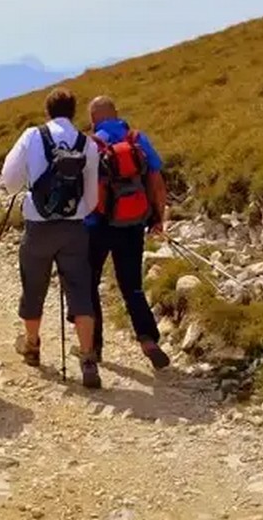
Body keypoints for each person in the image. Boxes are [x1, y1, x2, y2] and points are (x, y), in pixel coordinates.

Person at [1, 87, 103, 389]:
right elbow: (93, 198)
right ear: (74, 111)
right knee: (80, 290)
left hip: (38, 225)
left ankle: (32, 345)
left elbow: (10, 181)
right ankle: (87, 358)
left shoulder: (33, 136)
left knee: (34, 286)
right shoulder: (88, 144)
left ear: (47, 110)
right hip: (74, 229)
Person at [85, 95, 171, 370]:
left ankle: (93, 347)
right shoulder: (137, 139)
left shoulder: (91, 145)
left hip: (97, 225)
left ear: (93, 119)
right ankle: (148, 339)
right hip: (133, 222)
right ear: (117, 113)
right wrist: (158, 218)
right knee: (132, 286)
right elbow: (156, 181)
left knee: (89, 285)